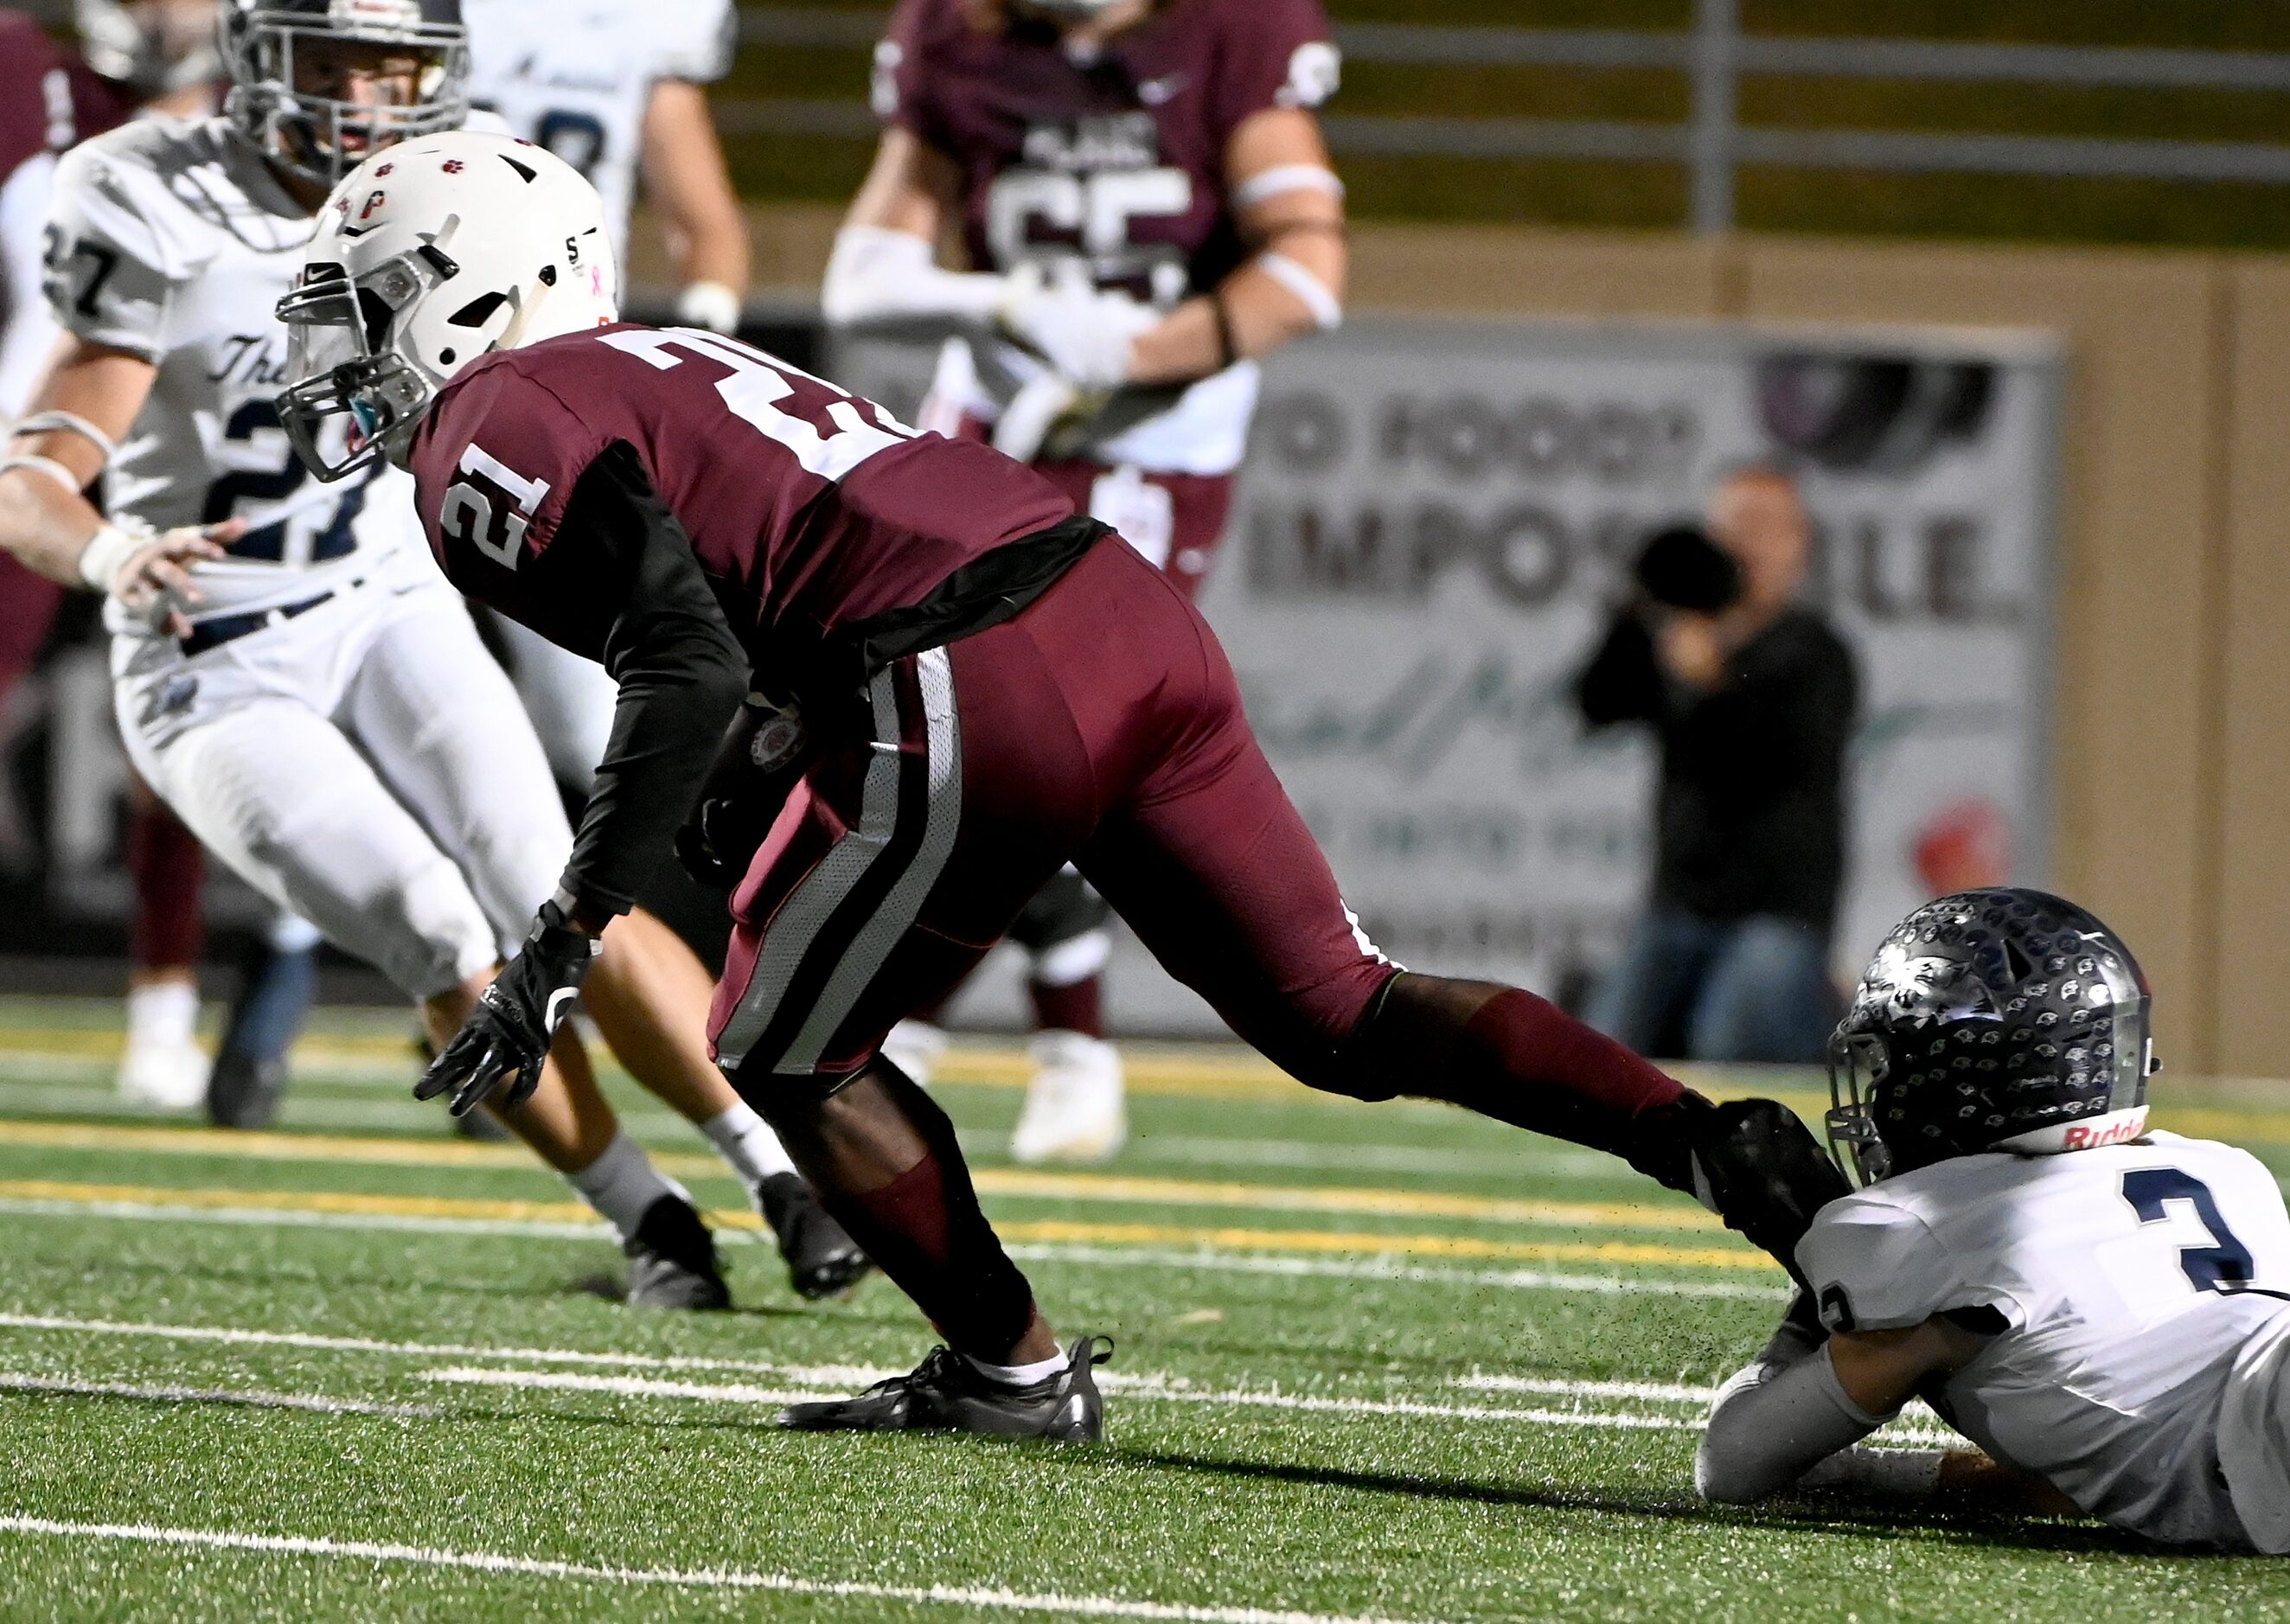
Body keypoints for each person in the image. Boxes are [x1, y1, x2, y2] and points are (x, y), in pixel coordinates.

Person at [274, 129, 1851, 1442]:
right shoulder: (656, 355)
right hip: (1111, 600)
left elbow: (681, 658)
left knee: (779, 1042)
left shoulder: (490, 421)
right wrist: (767, 744)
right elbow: (768, 589)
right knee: (1346, 1013)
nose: (338, 351)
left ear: (466, 283)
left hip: (964, 660)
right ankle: (1718, 1148)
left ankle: (1011, 1368)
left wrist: (565, 931)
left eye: (360, 305)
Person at [0, 0, 863, 1302]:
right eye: (334, 60)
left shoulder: (457, 186)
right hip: (212, 647)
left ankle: (775, 1169)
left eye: (394, 65)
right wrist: (115, 552)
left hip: (386, 597)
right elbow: (32, 482)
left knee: (556, 877)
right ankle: (648, 1217)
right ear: (258, 54)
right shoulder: (155, 195)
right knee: (428, 924)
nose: (363, 97)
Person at [823, 0, 1348, 1162]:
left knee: (1059, 732)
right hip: (991, 409)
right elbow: (860, 273)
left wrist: (1138, 353)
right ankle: (1008, 1037)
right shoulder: (961, 31)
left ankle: (979, 1031)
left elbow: (1308, 271)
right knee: (910, 718)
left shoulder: (1229, 27)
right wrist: (1009, 304)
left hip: (1160, 428)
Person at [1697, 888, 2290, 1553]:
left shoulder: (1934, 1226)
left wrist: (1806, 1262)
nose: (1882, 1091)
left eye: (1895, 1065)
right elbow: (2117, 1461)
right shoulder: (2229, 1174)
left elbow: (1734, 1461)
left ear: (1966, 1082)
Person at [461, 0, 751, 793]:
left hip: (558, 383)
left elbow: (709, 229)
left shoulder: (648, 18)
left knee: (589, 729)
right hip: (409, 369)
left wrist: (688, 359)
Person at [1573, 466, 1858, 1064]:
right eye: (1732, 526)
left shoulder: (1817, 653)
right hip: (1678, 904)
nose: (1745, 544)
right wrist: (1641, 606)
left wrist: (1704, 683)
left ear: (1797, 547)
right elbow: (1596, 704)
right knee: (1605, 1050)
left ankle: (1830, 1028)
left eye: (1763, 527)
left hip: (1778, 913)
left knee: (1730, 1044)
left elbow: (1759, 763)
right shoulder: (1678, 634)